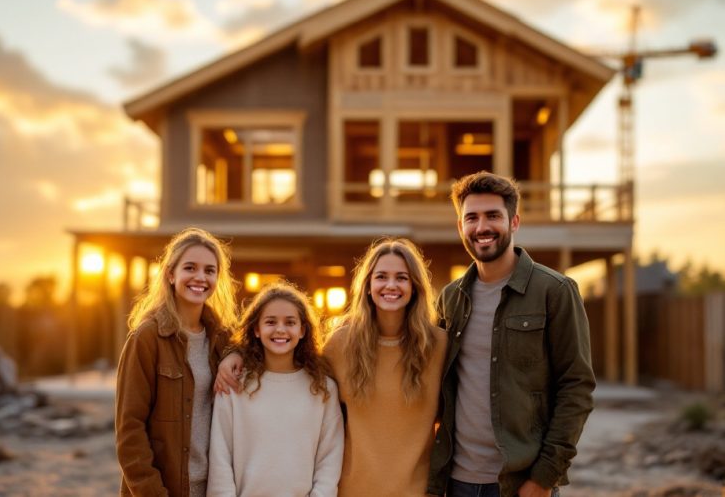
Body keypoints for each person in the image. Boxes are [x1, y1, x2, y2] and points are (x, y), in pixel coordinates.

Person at [215, 237, 447, 496]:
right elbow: (293, 362)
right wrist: (236, 353)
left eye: (401, 278)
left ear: (415, 287)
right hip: (351, 492)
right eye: (381, 277)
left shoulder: (438, 345)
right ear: (367, 286)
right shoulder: (342, 343)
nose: (390, 285)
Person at [426, 171, 596, 497]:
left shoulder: (555, 291)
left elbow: (577, 387)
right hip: (456, 481)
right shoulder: (450, 298)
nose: (482, 227)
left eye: (493, 216)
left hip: (520, 483)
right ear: (460, 227)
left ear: (514, 222)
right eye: (472, 218)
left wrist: (545, 477)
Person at [115, 227, 238, 497]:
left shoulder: (223, 339)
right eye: (190, 268)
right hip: (163, 489)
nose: (200, 277)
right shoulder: (147, 338)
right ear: (171, 274)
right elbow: (130, 432)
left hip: (214, 488)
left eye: (209, 270)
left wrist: (234, 354)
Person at [207, 282, 344, 497]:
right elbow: (220, 457)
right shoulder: (234, 385)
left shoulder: (323, 389)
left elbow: (329, 458)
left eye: (290, 322)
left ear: (302, 330)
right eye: (270, 322)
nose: (280, 329)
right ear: (256, 329)